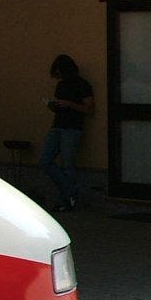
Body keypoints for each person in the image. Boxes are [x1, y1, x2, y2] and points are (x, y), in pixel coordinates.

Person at [40, 54, 94, 211]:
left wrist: (71, 105)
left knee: (67, 165)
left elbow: (90, 109)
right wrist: (53, 106)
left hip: (72, 128)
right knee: (45, 160)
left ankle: (66, 201)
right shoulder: (61, 85)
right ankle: (70, 191)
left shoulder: (83, 85)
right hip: (57, 125)